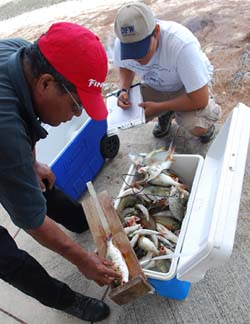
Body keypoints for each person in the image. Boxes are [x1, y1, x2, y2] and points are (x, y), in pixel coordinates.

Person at [0, 22, 121, 322]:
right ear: (45, 84)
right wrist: (82, 260)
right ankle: (65, 300)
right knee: (6, 256)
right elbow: (32, 220)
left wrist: (31, 163)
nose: (77, 114)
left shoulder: (18, 51)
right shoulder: (6, 133)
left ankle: (84, 222)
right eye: (77, 103)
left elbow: (22, 123)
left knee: (39, 181)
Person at [113, 2, 221, 143]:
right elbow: (125, 66)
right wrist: (123, 89)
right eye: (131, 51)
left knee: (196, 125)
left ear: (157, 32)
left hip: (188, 88)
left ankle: (187, 113)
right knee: (128, 114)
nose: (137, 58)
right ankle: (167, 112)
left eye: (141, 49)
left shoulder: (182, 45)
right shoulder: (121, 43)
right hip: (157, 85)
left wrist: (160, 107)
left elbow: (199, 99)